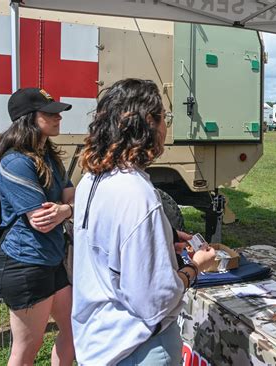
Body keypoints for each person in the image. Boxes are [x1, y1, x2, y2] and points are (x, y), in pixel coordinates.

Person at [71, 78, 216, 365]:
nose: (166, 128)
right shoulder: (137, 194)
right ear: (148, 122)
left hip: (99, 339)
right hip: (137, 346)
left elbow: (110, 243)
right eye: (164, 118)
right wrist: (195, 267)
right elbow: (155, 301)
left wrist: (162, 238)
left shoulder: (92, 178)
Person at [0, 88, 75, 365]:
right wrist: (65, 210)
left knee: (74, 328)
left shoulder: (50, 157)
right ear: (27, 118)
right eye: (49, 113)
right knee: (27, 348)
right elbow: (41, 220)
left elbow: (70, 200)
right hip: (24, 263)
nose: (58, 117)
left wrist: (65, 210)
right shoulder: (15, 162)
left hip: (50, 260)